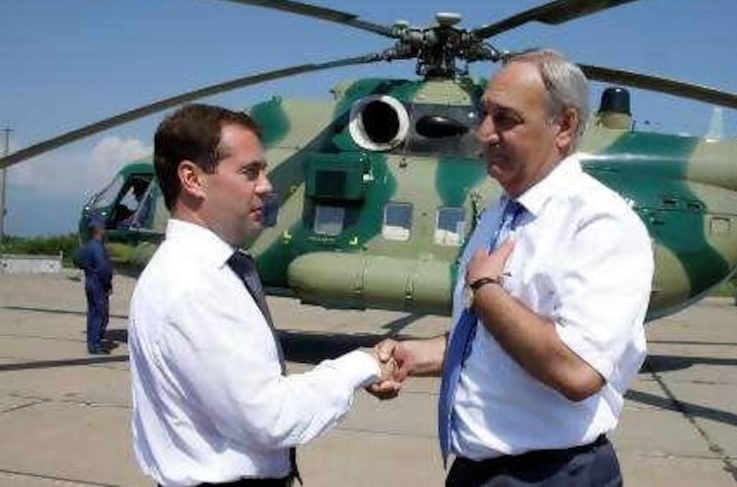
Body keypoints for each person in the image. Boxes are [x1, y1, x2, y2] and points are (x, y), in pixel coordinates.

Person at [370, 49, 654, 486]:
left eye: (506, 119)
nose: (483, 133)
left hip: (552, 474)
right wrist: (416, 356)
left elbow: (578, 371)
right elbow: (488, 338)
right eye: (484, 114)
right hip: (479, 471)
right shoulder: (500, 213)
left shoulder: (599, 223)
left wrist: (485, 289)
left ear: (564, 126)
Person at [128, 104, 393, 486]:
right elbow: (271, 417)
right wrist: (362, 365)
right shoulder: (195, 285)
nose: (267, 186)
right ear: (192, 179)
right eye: (249, 172)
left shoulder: (207, 272)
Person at [79, 216, 114, 355]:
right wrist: (108, 283)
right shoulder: (98, 247)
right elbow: (103, 268)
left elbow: (79, 260)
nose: (105, 230)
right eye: (103, 227)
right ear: (99, 230)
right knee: (101, 315)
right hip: (98, 284)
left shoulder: (88, 246)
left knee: (92, 314)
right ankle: (96, 345)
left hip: (89, 282)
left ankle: (92, 343)